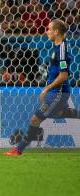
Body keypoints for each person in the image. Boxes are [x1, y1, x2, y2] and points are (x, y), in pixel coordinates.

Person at [5, 20, 78, 156]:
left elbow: (63, 75)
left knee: (35, 119)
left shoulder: (62, 49)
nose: (46, 31)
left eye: (49, 29)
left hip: (58, 92)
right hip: (57, 92)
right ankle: (18, 150)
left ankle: (18, 150)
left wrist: (46, 89)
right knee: (57, 113)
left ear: (56, 32)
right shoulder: (57, 48)